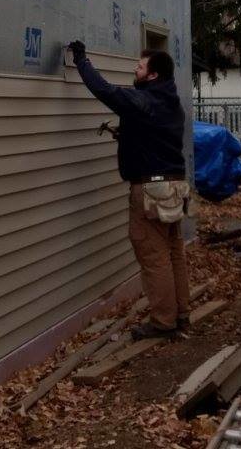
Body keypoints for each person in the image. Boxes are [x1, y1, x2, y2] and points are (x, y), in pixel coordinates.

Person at [68, 40, 190, 339]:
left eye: (139, 66)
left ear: (152, 75)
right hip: (176, 186)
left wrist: (81, 60)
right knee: (174, 251)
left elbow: (105, 91)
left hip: (151, 189)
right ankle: (182, 313)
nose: (134, 69)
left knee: (153, 255)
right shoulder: (170, 103)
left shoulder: (144, 101)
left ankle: (163, 321)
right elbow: (153, 135)